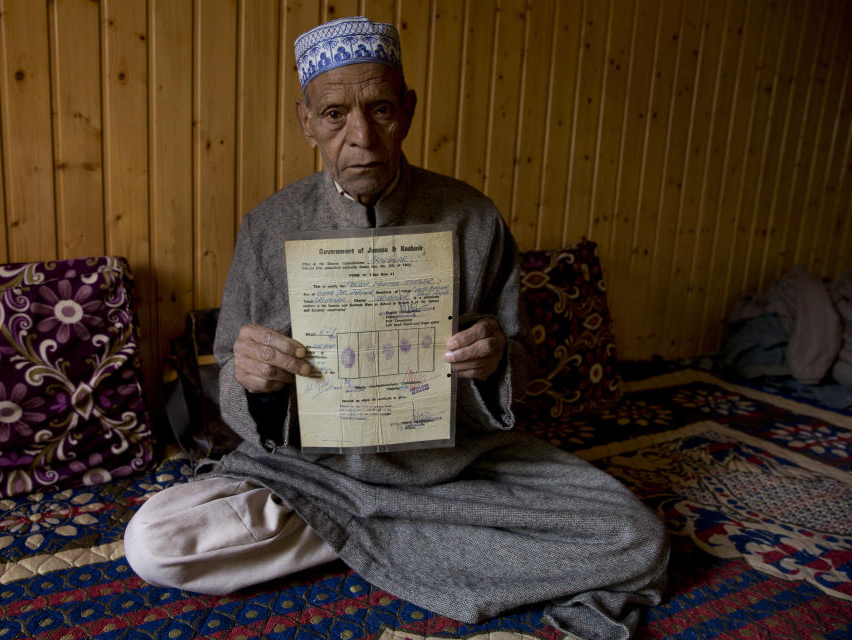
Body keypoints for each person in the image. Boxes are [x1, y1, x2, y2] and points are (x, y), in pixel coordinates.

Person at [125, 16, 669, 640]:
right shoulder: (269, 226)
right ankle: (403, 538)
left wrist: (496, 362)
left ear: (407, 111)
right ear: (306, 122)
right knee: (154, 543)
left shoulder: (473, 215)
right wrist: (257, 384)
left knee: (640, 539)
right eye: (334, 114)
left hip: (457, 469)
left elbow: (522, 358)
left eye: (380, 108)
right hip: (316, 472)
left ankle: (358, 540)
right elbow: (233, 373)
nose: (361, 137)